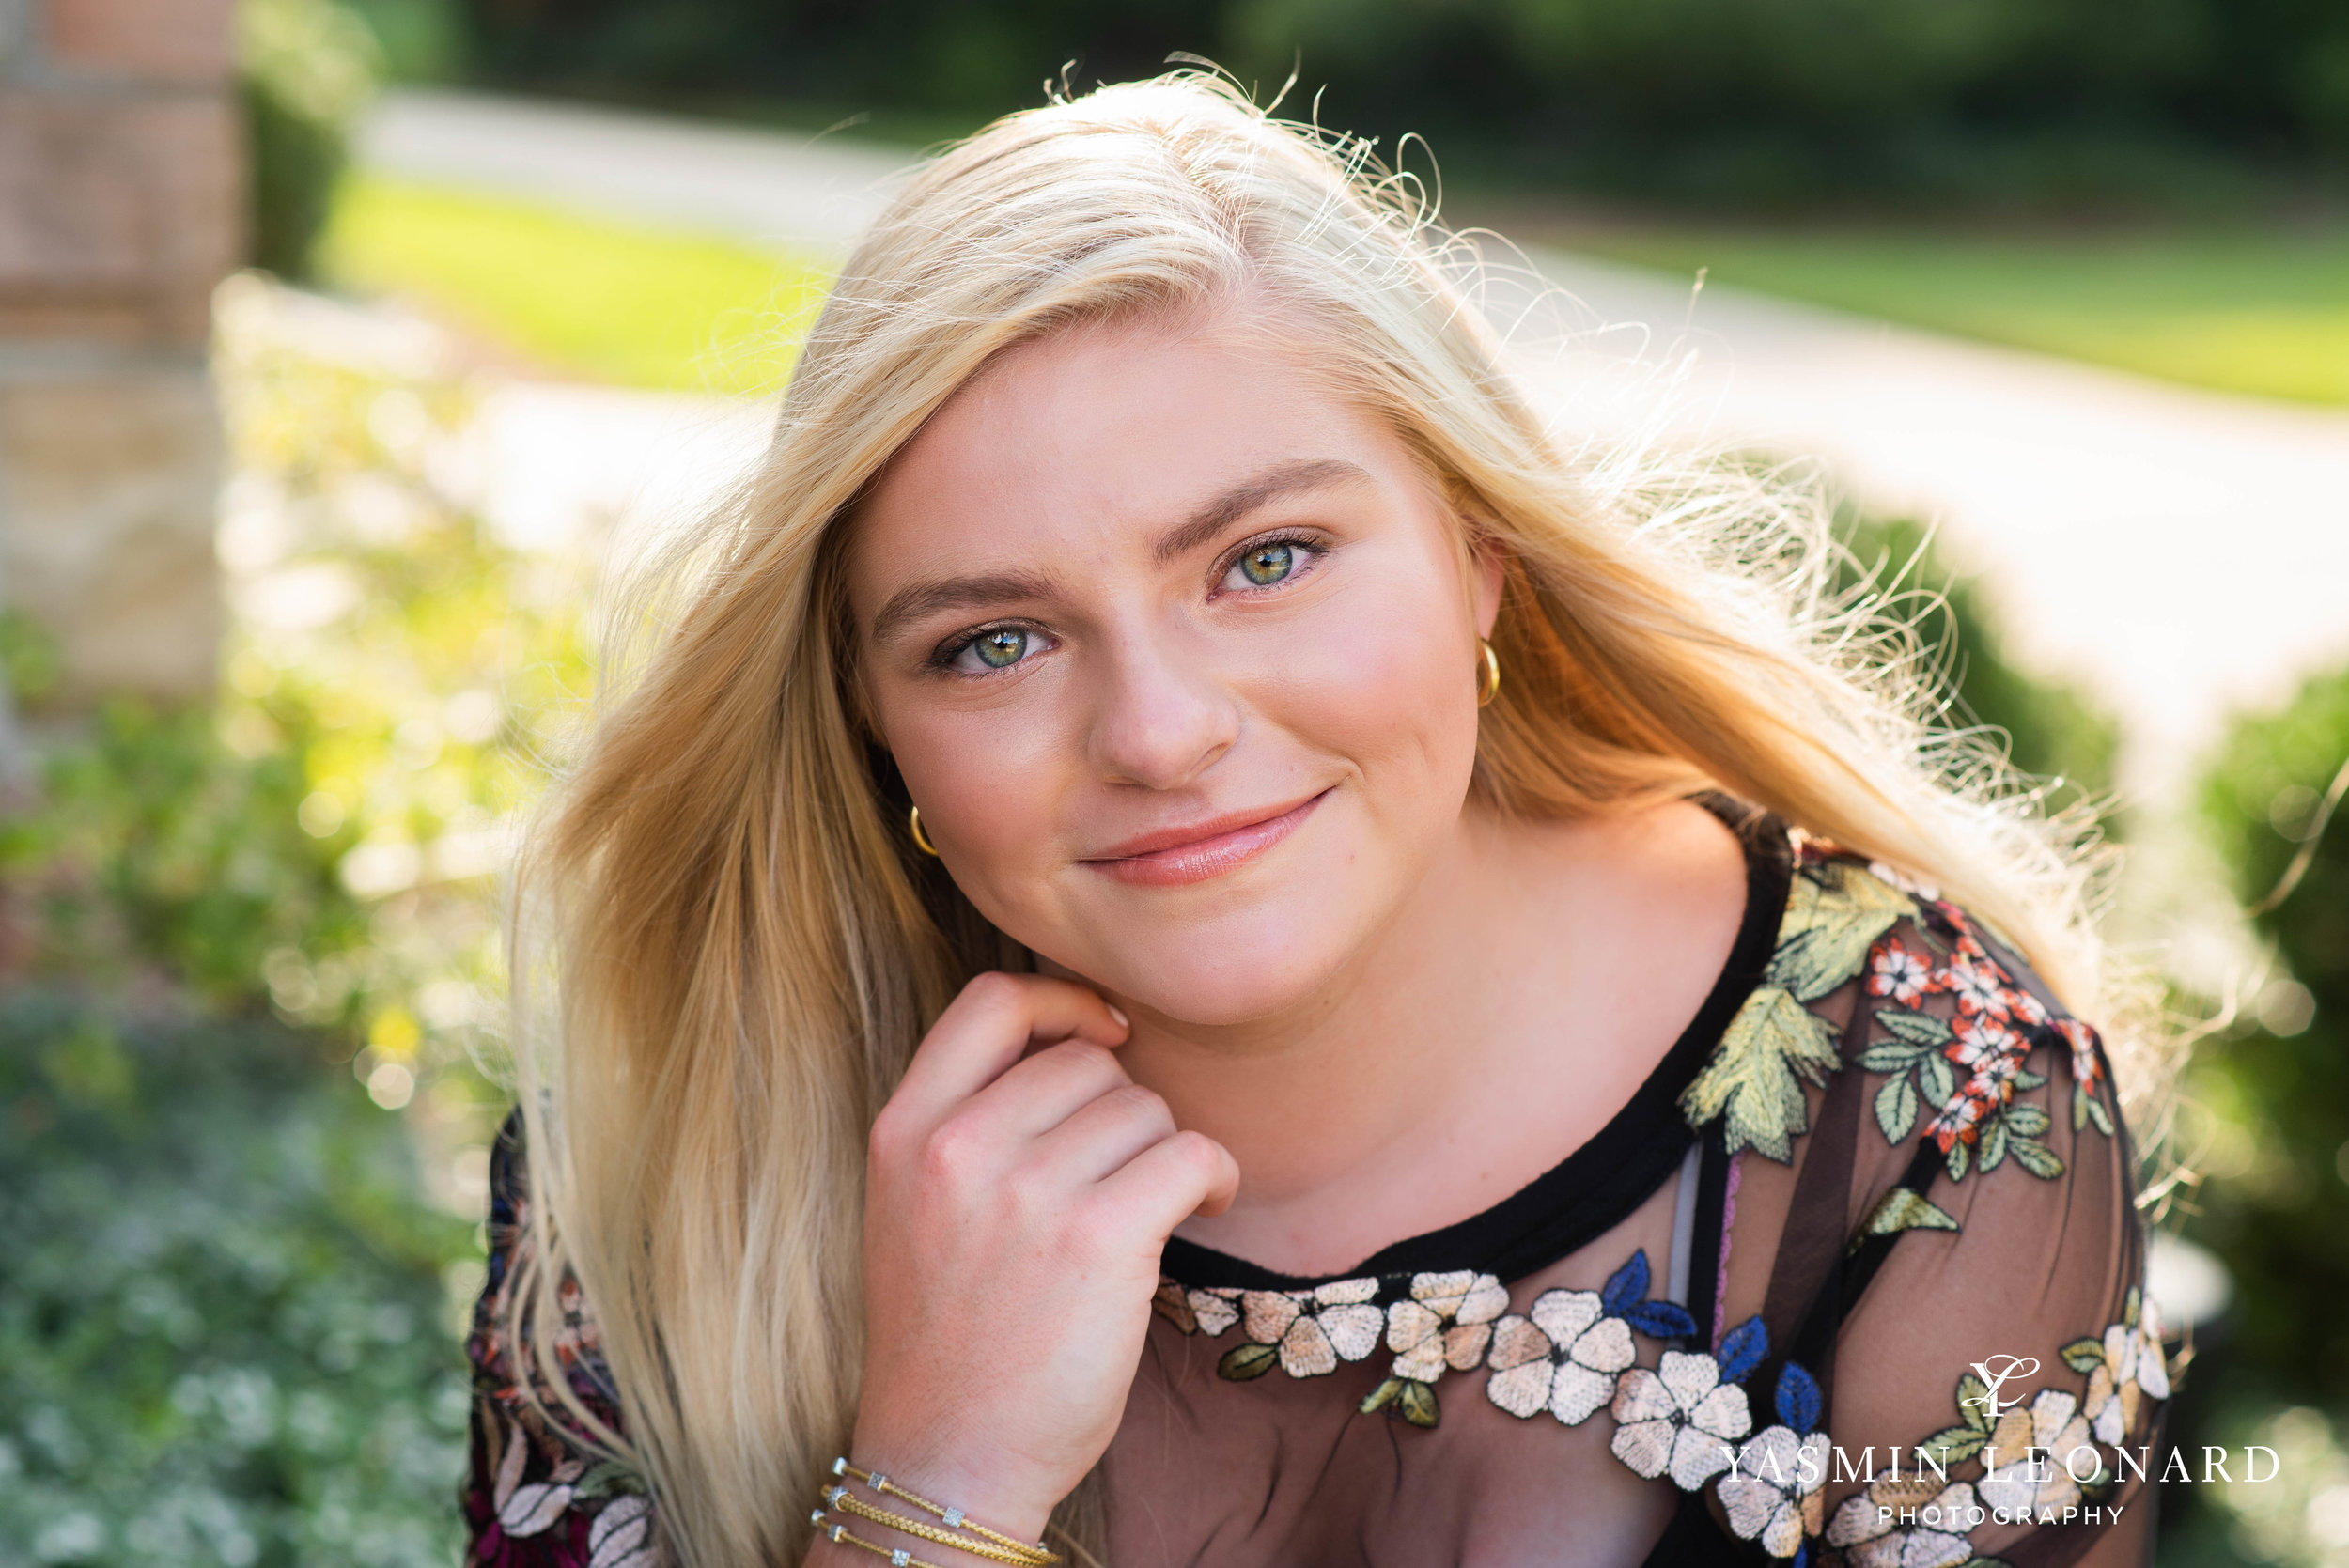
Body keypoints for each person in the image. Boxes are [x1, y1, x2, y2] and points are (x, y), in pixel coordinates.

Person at [462, 74, 2170, 1568]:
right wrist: (936, 1480)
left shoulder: (1933, 1114)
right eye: (995, 641)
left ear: (1477, 554)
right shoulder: (676, 1150)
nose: (1161, 732)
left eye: (1264, 561)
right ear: (868, 721)